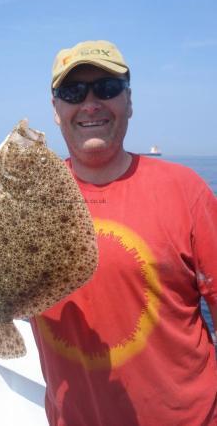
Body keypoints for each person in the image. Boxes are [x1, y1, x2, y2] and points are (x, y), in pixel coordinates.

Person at [30, 40, 217, 426]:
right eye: (73, 92)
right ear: (55, 109)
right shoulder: (29, 198)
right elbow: (0, 289)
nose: (91, 103)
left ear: (129, 101)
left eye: (108, 88)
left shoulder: (187, 191)